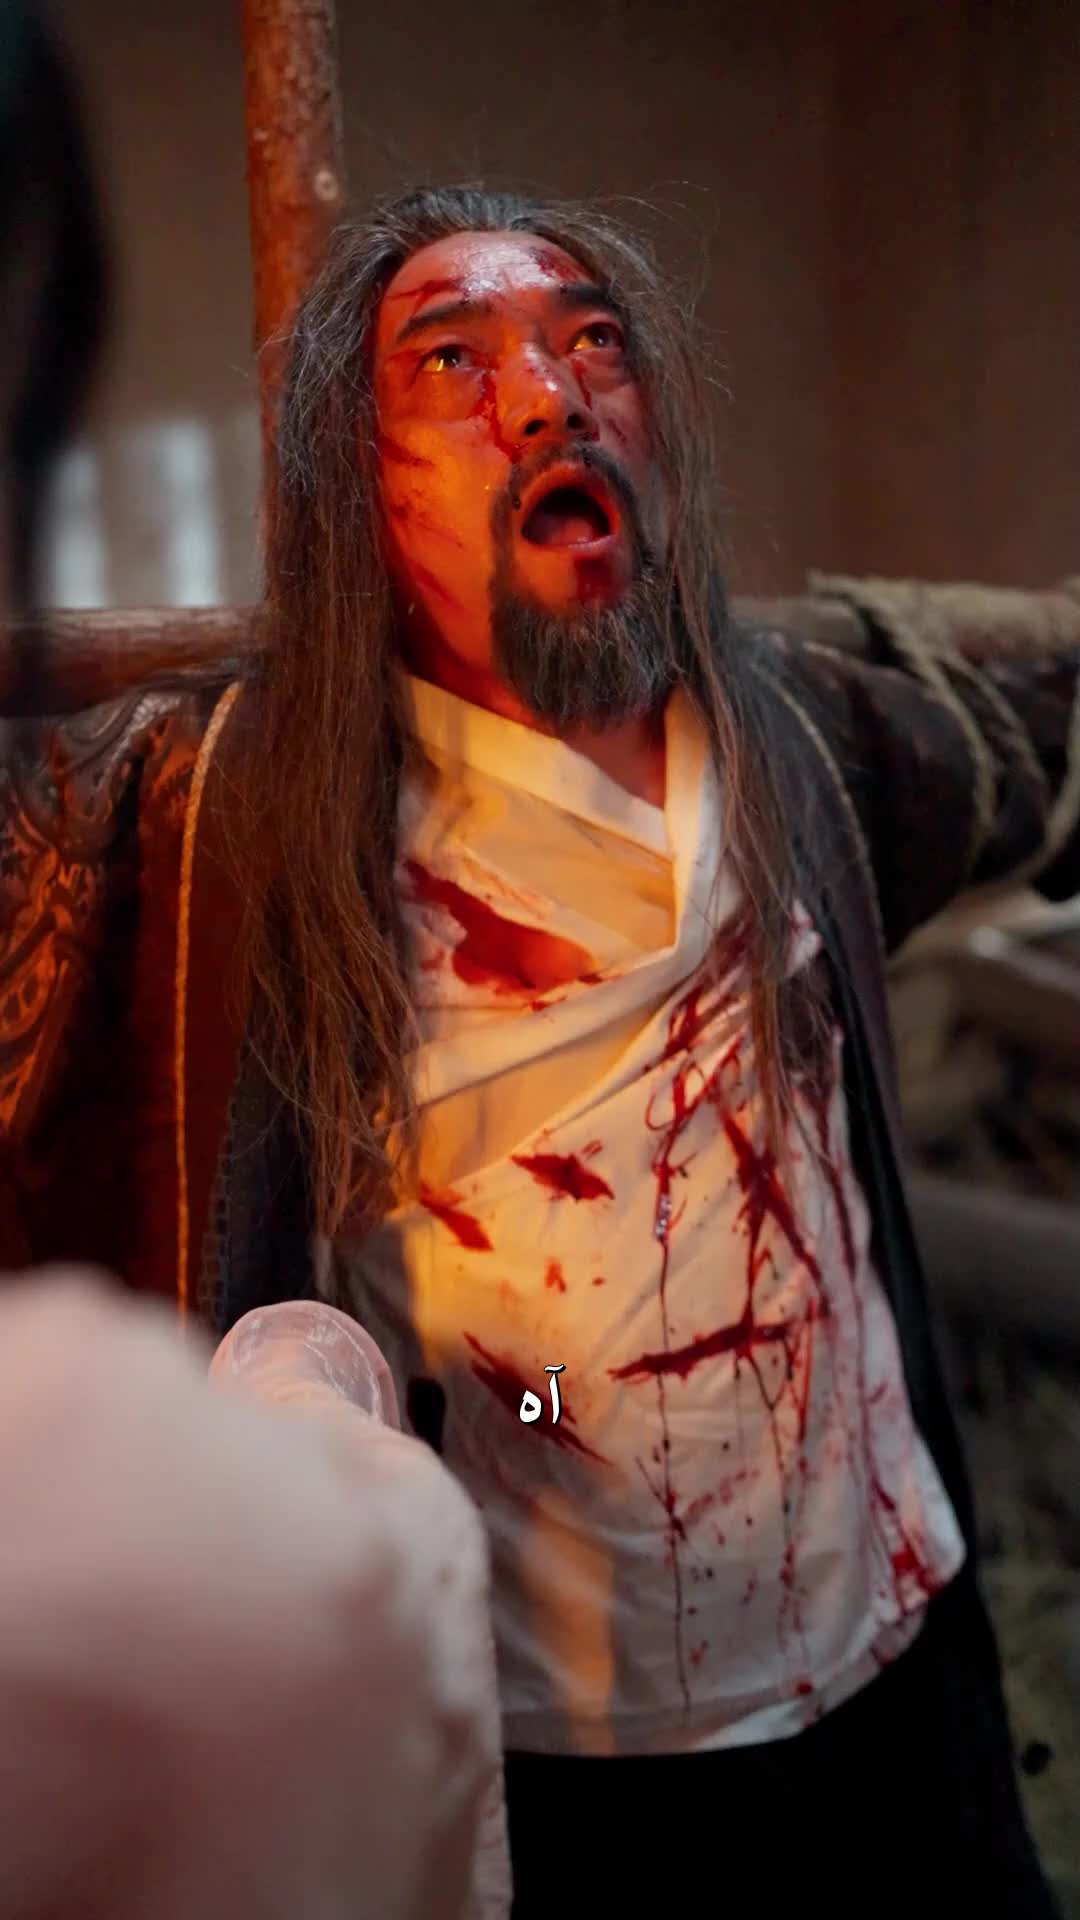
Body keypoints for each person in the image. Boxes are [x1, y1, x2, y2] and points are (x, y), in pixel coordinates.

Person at [2, 184, 1078, 1914]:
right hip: (575, 1724)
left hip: (891, 1637)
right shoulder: (246, 827)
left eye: (593, 344)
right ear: (358, 493)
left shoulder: (795, 736)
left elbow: (1026, 733)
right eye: (452, 362)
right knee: (543, 1399)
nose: (549, 395)